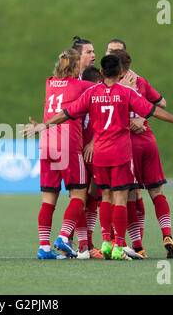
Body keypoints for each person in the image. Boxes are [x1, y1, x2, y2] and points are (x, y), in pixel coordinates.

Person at [21, 54, 173, 260]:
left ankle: (105, 242)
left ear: (101, 72)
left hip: (98, 153)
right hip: (120, 153)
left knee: (105, 196)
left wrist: (42, 126)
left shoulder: (91, 93)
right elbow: (153, 111)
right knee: (121, 199)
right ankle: (120, 246)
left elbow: (66, 113)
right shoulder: (126, 92)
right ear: (119, 74)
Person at [109, 48, 173, 258]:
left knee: (129, 194)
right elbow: (162, 103)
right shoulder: (140, 80)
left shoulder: (109, 85)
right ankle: (167, 235)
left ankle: (137, 245)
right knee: (157, 191)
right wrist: (143, 116)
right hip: (148, 141)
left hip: (126, 144)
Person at [36, 48, 94, 259]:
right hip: (68, 144)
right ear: (77, 66)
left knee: (48, 199)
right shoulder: (81, 86)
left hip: (46, 144)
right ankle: (63, 236)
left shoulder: (49, 82)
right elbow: (106, 89)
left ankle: (44, 247)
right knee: (79, 195)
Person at [80, 66, 104, 259]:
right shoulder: (95, 95)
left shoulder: (79, 92)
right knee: (100, 195)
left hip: (78, 150)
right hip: (93, 152)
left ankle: (85, 243)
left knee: (85, 196)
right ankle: (107, 243)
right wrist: (93, 141)